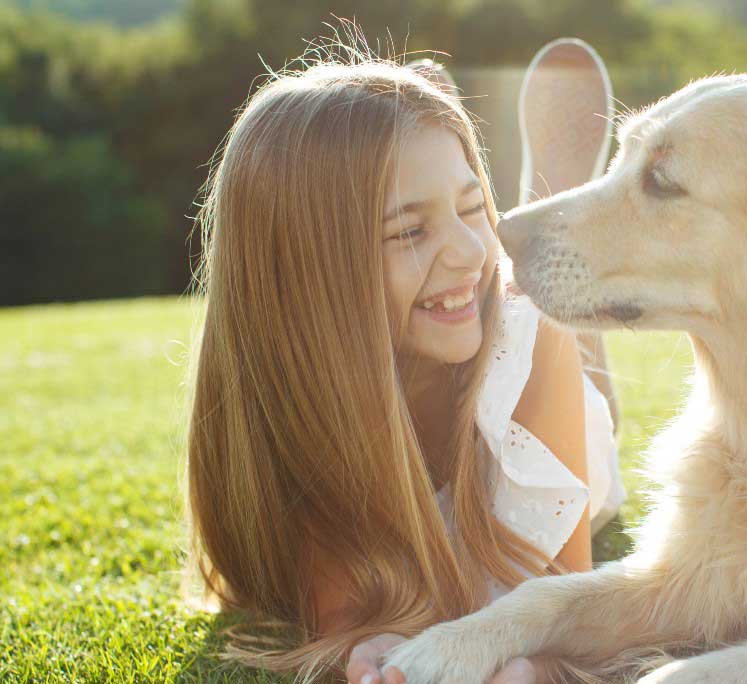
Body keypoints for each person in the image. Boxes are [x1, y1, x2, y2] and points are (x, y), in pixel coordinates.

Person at [184, 35, 625, 684]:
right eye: (409, 231)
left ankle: (548, 232)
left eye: (473, 206)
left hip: (530, 368)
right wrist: (363, 655)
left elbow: (565, 613)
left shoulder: (529, 348)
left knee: (563, 348)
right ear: (308, 276)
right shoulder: (298, 400)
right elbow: (350, 621)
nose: (467, 251)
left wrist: (529, 672)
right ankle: (503, 221)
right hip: (420, 342)